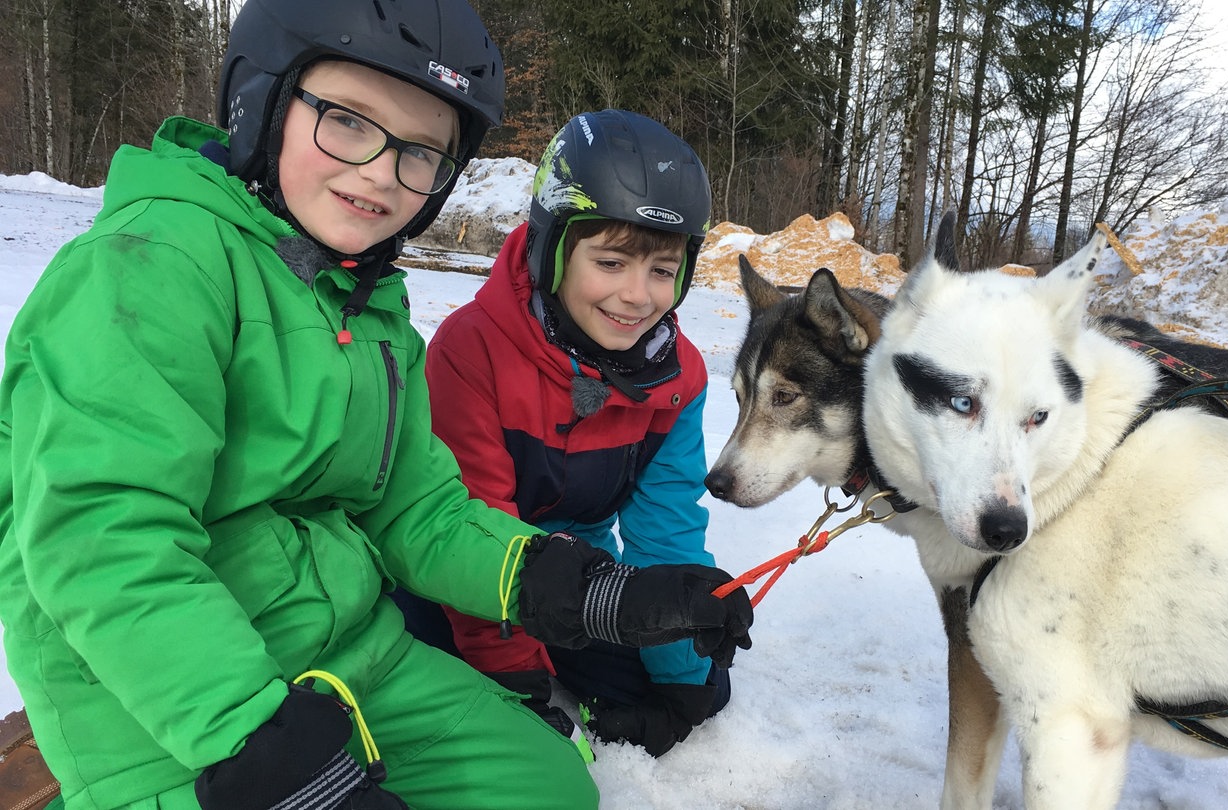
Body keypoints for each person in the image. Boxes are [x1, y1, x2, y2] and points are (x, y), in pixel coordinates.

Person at [0, 1, 752, 808]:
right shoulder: (151, 266)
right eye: (349, 123)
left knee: (551, 790)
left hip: (347, 653)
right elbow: (105, 541)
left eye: (422, 152)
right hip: (157, 701)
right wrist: (266, 753)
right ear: (265, 101)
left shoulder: (370, 308)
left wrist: (591, 590)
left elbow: (418, 510)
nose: (381, 175)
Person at [411, 109, 727, 758]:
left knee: (695, 680)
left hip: (578, 579)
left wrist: (682, 678)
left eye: (663, 270)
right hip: (462, 574)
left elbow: (664, 528)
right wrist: (520, 683)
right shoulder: (471, 352)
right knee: (446, 684)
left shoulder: (678, 377)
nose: (638, 296)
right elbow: (470, 526)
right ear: (552, 247)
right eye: (610, 262)